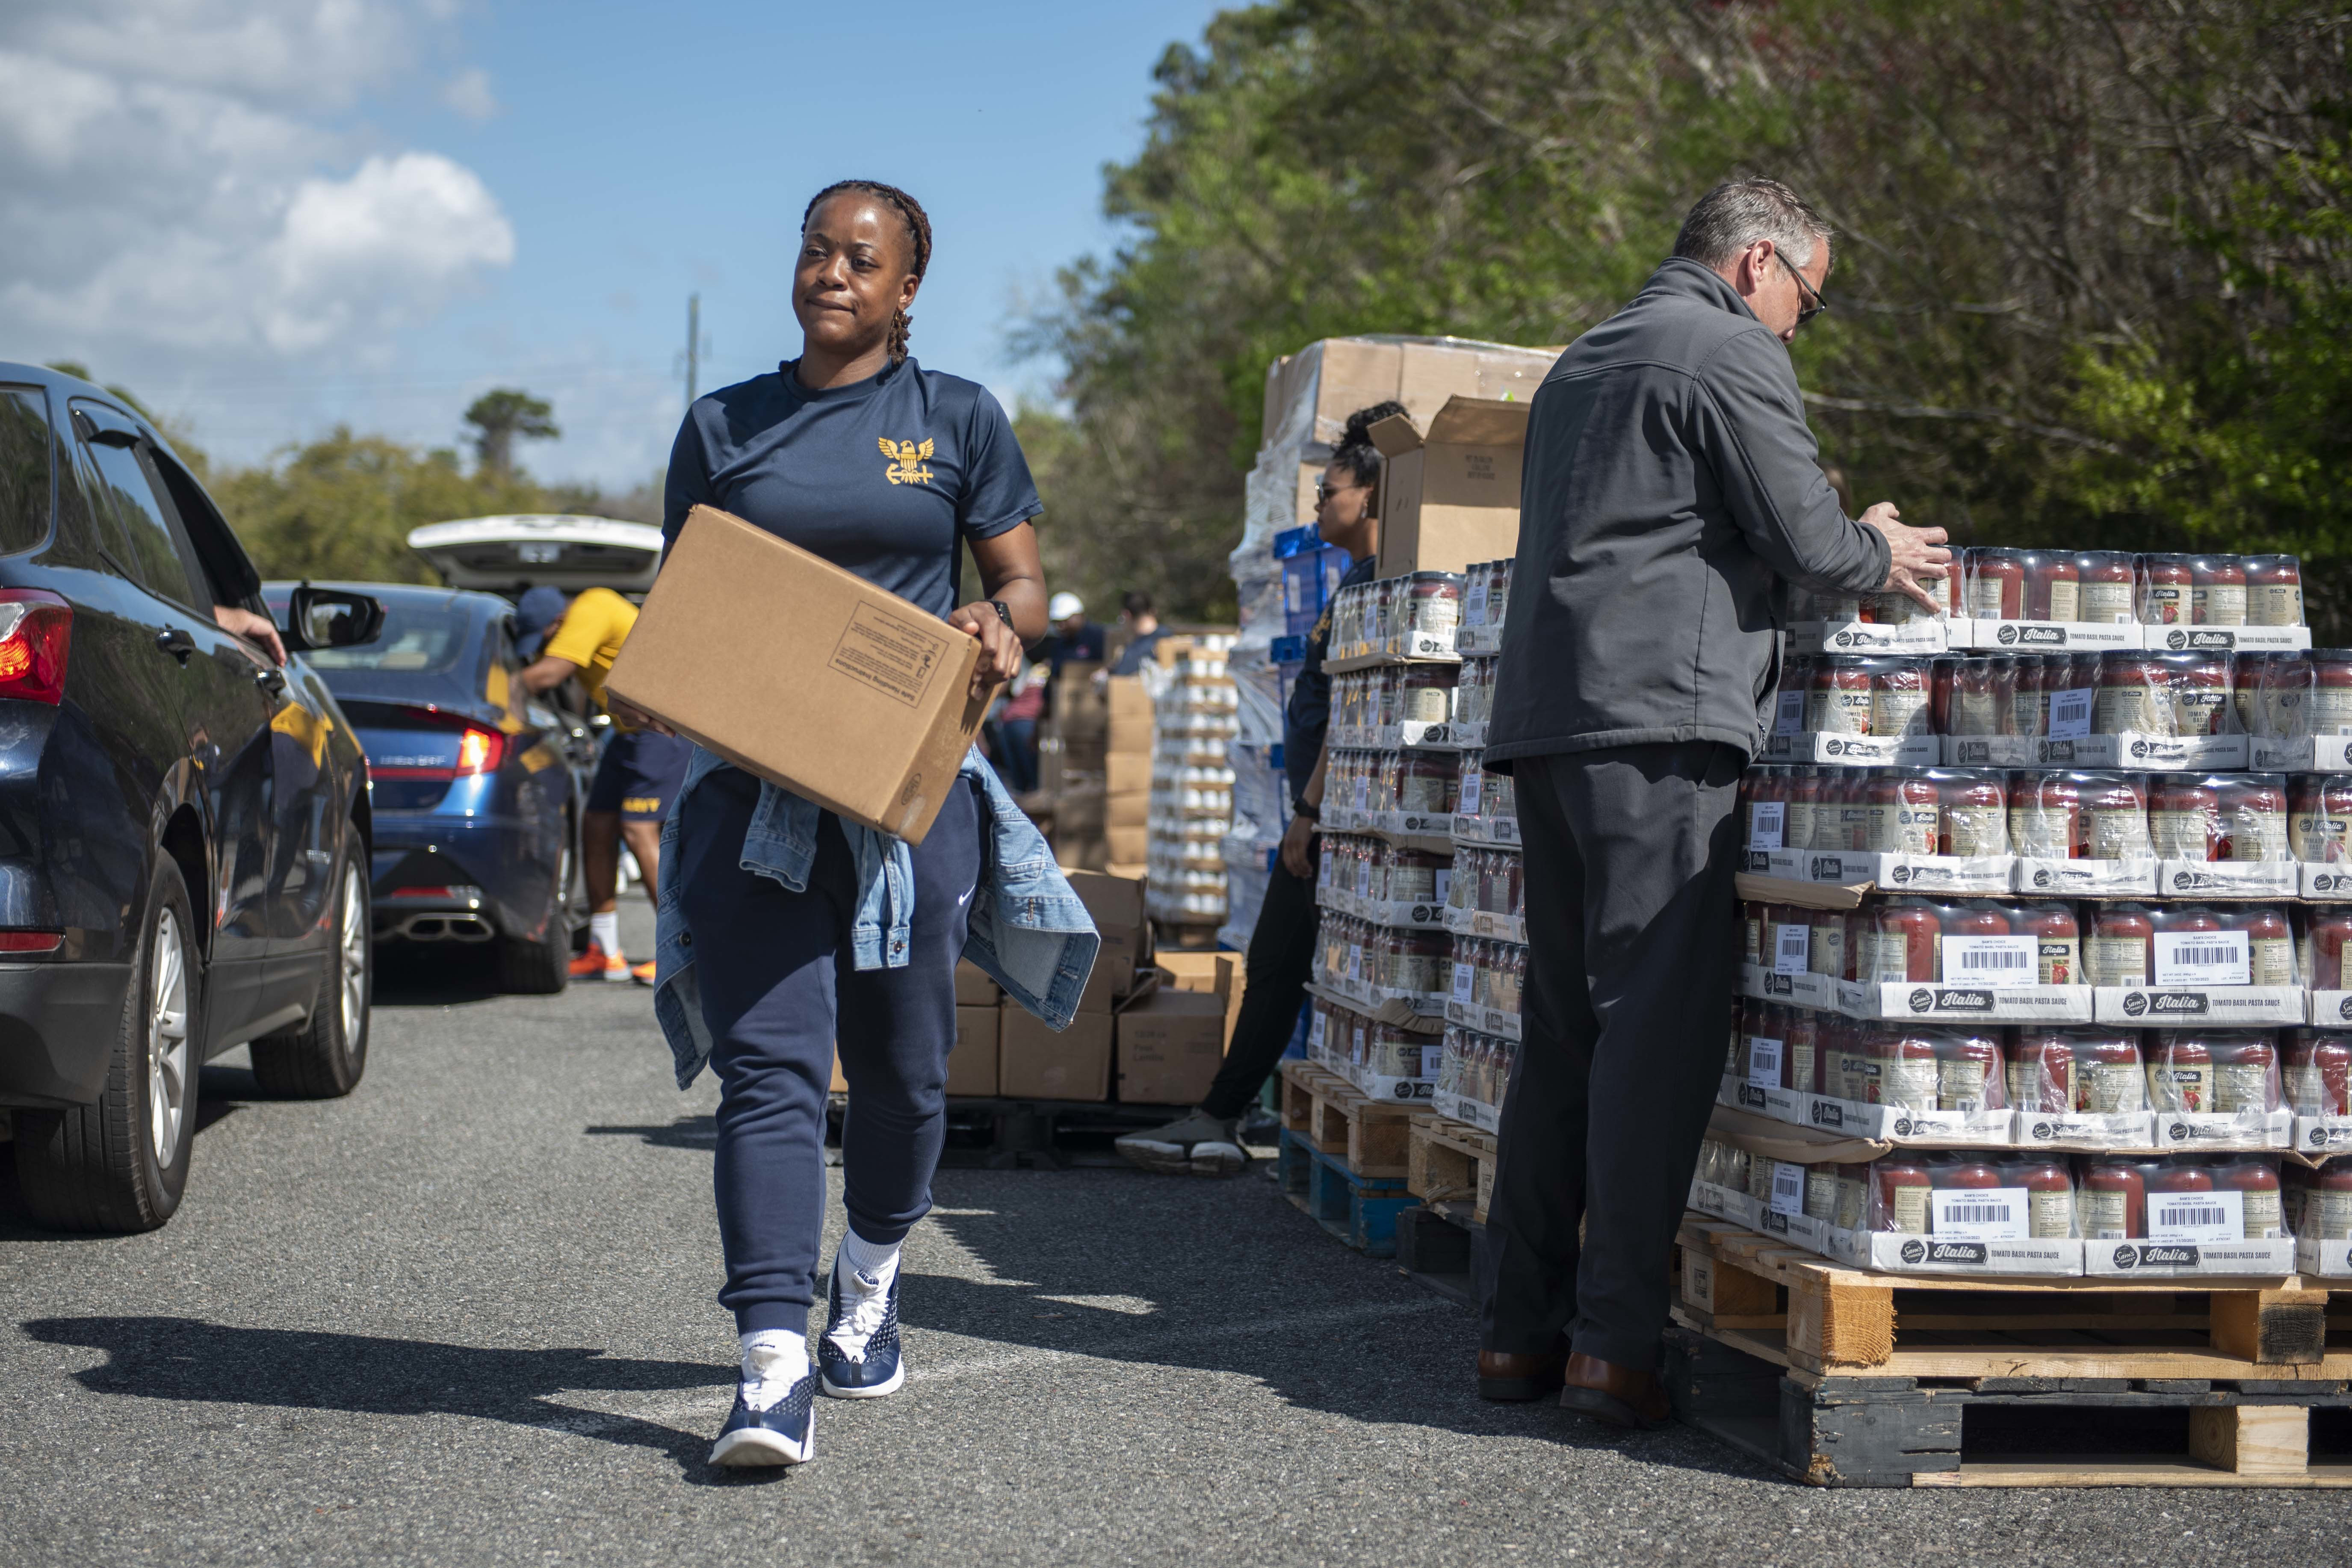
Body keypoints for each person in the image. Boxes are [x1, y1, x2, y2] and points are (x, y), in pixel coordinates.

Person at [633, 179, 1097, 1469]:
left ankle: (873, 1277)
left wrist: (1003, 624)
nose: (833, 271)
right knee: (772, 1072)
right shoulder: (723, 425)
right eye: (816, 250)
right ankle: (770, 1364)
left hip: (908, 802)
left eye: (863, 258)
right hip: (753, 803)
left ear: (906, 292)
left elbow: (1020, 575)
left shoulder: (956, 418)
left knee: (900, 1070)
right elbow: (690, 600)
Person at [1474, 179, 1951, 1425]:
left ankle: (1515, 1336)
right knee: (1654, 1031)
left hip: (1551, 719)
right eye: (1810, 295)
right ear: (1756, 264)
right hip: (1662, 726)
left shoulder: (1588, 358)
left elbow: (1666, 533)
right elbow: (1807, 538)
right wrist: (1878, 547)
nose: (1804, 323)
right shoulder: (1727, 346)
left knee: (1565, 1030)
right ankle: (1616, 1348)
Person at [1114, 399, 1404, 1176]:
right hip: (1326, 814)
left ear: (1371, 497)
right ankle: (1220, 1113)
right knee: (1278, 963)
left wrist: (1308, 813)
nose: (1319, 506)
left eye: (1330, 493)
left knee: (1282, 961)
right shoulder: (1352, 587)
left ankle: (1221, 1115)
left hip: (1339, 818)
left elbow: (1354, 719)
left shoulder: (1380, 586)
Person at [514, 584, 688, 984]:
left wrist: (493, 690)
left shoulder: (591, 606)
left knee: (639, 827)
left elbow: (550, 673)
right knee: (597, 825)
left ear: (557, 622)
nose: (542, 649)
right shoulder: (576, 619)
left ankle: (679, 948)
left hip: (661, 726)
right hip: (628, 731)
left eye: (543, 638)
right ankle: (604, 951)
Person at [1107, 590, 1164, 675]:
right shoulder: (1170, 638)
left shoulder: (1132, 654)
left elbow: (1120, 680)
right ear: (1153, 611)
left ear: (1127, 615)